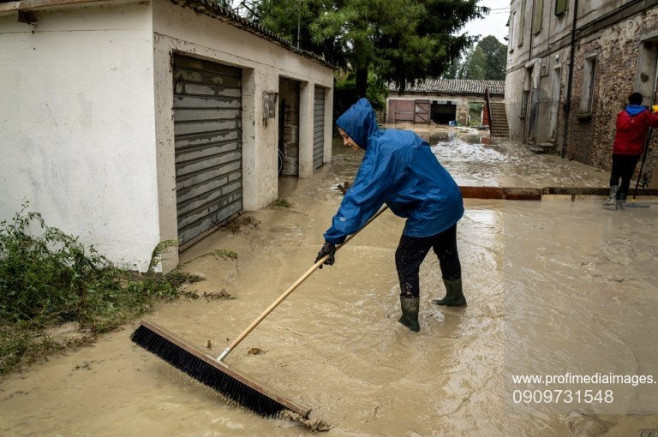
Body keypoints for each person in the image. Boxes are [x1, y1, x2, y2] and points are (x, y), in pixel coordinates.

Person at [314, 98, 466, 332]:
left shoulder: (379, 155)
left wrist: (331, 240)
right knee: (446, 251)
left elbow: (358, 200)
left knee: (405, 259)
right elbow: (416, 170)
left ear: (359, 130)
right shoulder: (396, 137)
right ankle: (455, 299)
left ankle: (409, 321)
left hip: (431, 208)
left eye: (347, 136)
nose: (345, 143)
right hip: (450, 198)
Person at [604, 91, 658, 207]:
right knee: (627, 176)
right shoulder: (645, 114)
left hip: (619, 151)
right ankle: (621, 200)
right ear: (640, 102)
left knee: (615, 174)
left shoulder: (622, 115)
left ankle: (612, 197)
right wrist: (657, 111)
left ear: (629, 101)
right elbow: (655, 122)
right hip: (633, 152)